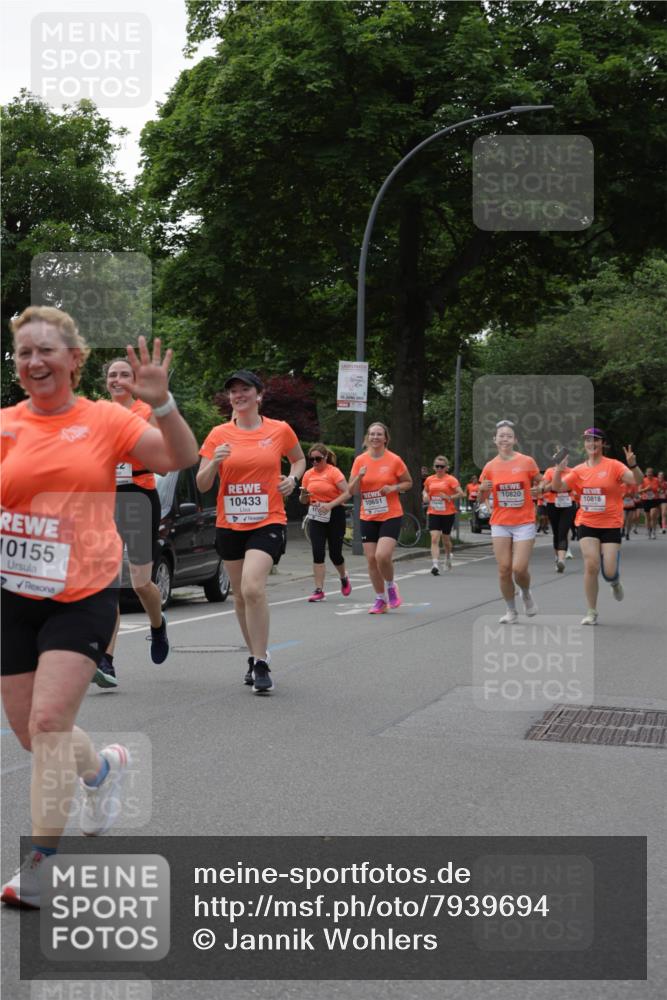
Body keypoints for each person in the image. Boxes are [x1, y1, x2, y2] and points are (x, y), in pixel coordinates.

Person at [1, 306, 198, 908]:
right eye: (24, 352)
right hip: (12, 595)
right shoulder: (5, 424)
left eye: (47, 351)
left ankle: (39, 865)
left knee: (49, 724)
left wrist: (161, 404)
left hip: (82, 593)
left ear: (74, 359)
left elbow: (178, 458)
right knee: (32, 734)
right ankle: (103, 770)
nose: (35, 361)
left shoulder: (106, 419)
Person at [196, 370, 305, 693]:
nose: (239, 395)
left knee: (253, 586)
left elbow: (298, 460)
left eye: (245, 390)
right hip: (229, 524)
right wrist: (214, 462)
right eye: (233, 391)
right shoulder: (218, 434)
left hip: (268, 520)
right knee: (241, 595)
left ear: (259, 396)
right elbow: (202, 483)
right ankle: (255, 653)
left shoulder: (279, 430)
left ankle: (261, 661)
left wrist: (292, 479)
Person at [92, 358, 169, 688]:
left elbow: (164, 464)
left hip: (139, 500)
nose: (118, 379)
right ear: (106, 382)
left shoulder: (146, 412)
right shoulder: (96, 413)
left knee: (140, 584)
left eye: (124, 374)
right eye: (112, 375)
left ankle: (157, 624)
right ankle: (106, 661)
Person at [551, 428, 643, 625]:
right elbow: (557, 487)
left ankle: (614, 581)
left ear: (602, 444)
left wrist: (633, 464)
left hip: (610, 523)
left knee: (608, 571)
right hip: (587, 522)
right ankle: (591, 611)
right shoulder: (578, 470)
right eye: (587, 440)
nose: (591, 444)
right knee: (591, 565)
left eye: (595, 440)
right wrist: (559, 468)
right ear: (584, 444)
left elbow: (637, 481)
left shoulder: (614, 466)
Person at [478, 420, 542, 624]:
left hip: (524, 521)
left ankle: (525, 593)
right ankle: (511, 610)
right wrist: (482, 491)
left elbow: (542, 483)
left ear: (515, 440)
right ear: (494, 440)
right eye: (501, 435)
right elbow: (482, 496)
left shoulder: (526, 462)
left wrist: (539, 489)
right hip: (500, 522)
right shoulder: (489, 466)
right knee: (504, 568)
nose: (504, 438)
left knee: (519, 568)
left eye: (508, 435)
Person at [348, 422, 412, 614]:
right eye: (372, 434)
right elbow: (352, 490)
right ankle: (380, 599)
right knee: (371, 560)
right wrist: (358, 477)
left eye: (379, 434)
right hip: (368, 515)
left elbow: (408, 482)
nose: (375, 437)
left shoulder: (394, 460)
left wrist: (393, 488)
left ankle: (391, 586)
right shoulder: (360, 460)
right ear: (367, 437)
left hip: (390, 514)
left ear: (385, 438)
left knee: (382, 556)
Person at [299, 444, 352, 602]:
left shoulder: (333, 472)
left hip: (334, 513)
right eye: (312, 459)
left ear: (325, 458)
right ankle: (319, 589)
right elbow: (303, 500)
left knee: (335, 553)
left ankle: (343, 577)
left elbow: (347, 492)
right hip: (316, 514)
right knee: (318, 551)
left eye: (318, 459)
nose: (314, 462)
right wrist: (303, 495)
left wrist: (330, 505)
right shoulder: (308, 475)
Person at [422, 456, 464, 574]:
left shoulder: (451, 480)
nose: (439, 468)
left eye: (442, 466)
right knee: (435, 538)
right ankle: (435, 565)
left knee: (446, 540)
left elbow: (461, 494)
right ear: (433, 467)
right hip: (433, 512)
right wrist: (425, 495)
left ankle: (447, 557)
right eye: (437, 466)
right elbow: (425, 490)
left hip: (448, 513)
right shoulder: (429, 479)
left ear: (446, 468)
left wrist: (449, 497)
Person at [541, 457, 577, 572]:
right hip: (553, 504)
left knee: (563, 531)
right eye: (561, 459)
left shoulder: (572, 472)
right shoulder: (549, 471)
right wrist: (554, 484)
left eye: (566, 460)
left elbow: (577, 487)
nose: (564, 462)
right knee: (556, 532)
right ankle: (557, 558)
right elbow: (544, 489)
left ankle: (562, 560)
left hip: (568, 504)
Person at [639, 467, 660, 539]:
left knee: (653, 515)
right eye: (648, 472)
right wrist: (646, 489)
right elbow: (639, 491)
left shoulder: (656, 480)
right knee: (647, 517)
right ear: (646, 473)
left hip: (654, 499)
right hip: (645, 500)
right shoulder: (643, 480)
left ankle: (654, 531)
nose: (649, 474)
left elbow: (659, 489)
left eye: (651, 472)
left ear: (652, 473)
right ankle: (649, 531)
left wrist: (658, 490)